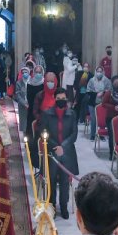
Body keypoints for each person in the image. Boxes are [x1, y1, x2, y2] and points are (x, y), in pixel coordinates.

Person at [35, 88, 78, 218]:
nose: (61, 101)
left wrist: (63, 146)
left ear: (66, 99)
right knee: (51, 180)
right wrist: (56, 146)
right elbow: (43, 132)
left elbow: (74, 134)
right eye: (58, 99)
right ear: (55, 99)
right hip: (52, 152)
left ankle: (64, 206)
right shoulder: (47, 114)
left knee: (65, 181)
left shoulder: (72, 114)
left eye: (63, 99)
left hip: (67, 152)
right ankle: (52, 206)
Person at [85, 67, 109, 137]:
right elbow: (88, 91)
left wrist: (102, 93)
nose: (99, 73)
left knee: (101, 119)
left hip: (102, 103)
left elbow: (109, 90)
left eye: (100, 71)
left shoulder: (106, 80)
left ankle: (101, 135)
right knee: (93, 119)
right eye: (98, 71)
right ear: (96, 72)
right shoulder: (91, 80)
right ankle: (92, 135)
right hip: (92, 102)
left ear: (103, 72)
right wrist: (96, 94)